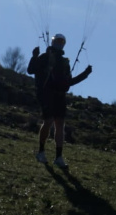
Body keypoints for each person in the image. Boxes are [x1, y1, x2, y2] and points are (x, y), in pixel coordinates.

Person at [29, 33, 92, 169]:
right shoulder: (44, 57)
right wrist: (34, 56)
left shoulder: (64, 63)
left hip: (60, 96)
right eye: (57, 41)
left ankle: (58, 157)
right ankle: (41, 152)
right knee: (48, 121)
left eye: (61, 42)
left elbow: (68, 82)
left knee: (60, 124)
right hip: (46, 94)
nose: (58, 43)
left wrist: (84, 75)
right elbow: (31, 70)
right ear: (53, 42)